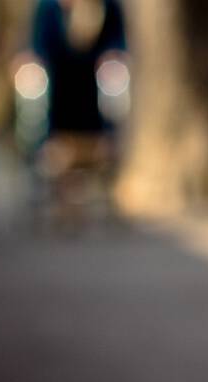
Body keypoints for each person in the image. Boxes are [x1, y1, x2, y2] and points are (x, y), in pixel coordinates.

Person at [25, 0, 128, 232]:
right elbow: (38, 45)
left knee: (113, 88)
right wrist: (32, 63)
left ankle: (91, 185)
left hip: (95, 92)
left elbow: (118, 44)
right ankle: (61, 192)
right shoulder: (48, 8)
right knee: (36, 97)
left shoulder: (108, 8)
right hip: (57, 90)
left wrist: (113, 57)